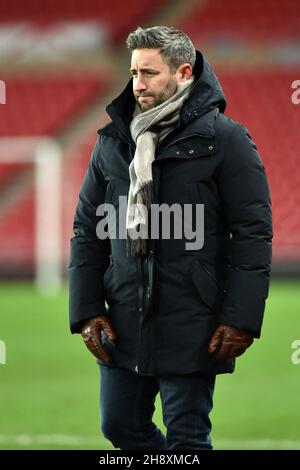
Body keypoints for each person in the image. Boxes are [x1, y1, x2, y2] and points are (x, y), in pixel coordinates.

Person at [69, 26, 272, 450]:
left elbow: (252, 235)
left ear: (183, 73)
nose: (137, 84)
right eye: (134, 73)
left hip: (193, 320)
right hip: (123, 318)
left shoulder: (227, 139)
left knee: (187, 441)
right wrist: (87, 309)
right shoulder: (112, 142)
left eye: (149, 73)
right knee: (120, 427)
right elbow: (88, 231)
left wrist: (240, 318)